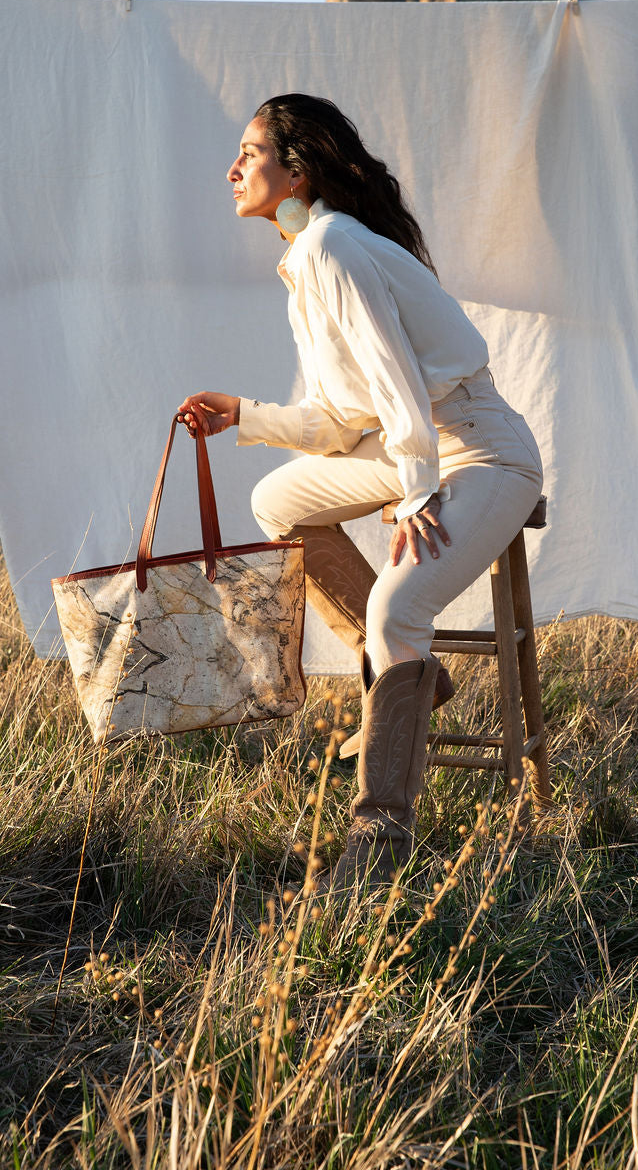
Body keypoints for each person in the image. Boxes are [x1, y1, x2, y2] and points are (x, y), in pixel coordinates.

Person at [177, 94, 542, 893]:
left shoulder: (333, 247)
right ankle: (413, 680)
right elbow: (345, 417)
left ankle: (378, 843)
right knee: (278, 504)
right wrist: (246, 415)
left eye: (250, 151)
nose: (232, 168)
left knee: (395, 609)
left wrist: (415, 494)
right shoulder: (309, 253)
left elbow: (398, 384)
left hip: (480, 450)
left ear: (297, 168)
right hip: (409, 445)